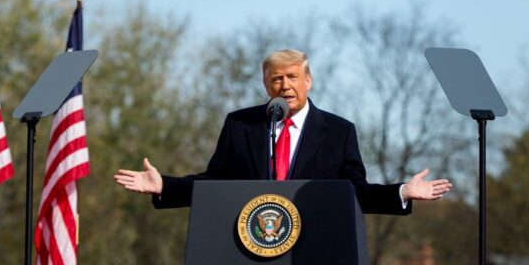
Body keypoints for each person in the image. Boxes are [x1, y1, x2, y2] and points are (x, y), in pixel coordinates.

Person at [113, 48, 452, 214]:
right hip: (248, 252)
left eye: (292, 77)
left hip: (314, 254)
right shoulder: (240, 125)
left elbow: (355, 193)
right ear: (265, 84)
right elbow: (214, 183)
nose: (285, 85)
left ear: (308, 81)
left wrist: (402, 192)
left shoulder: (338, 132)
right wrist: (166, 186)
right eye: (276, 78)